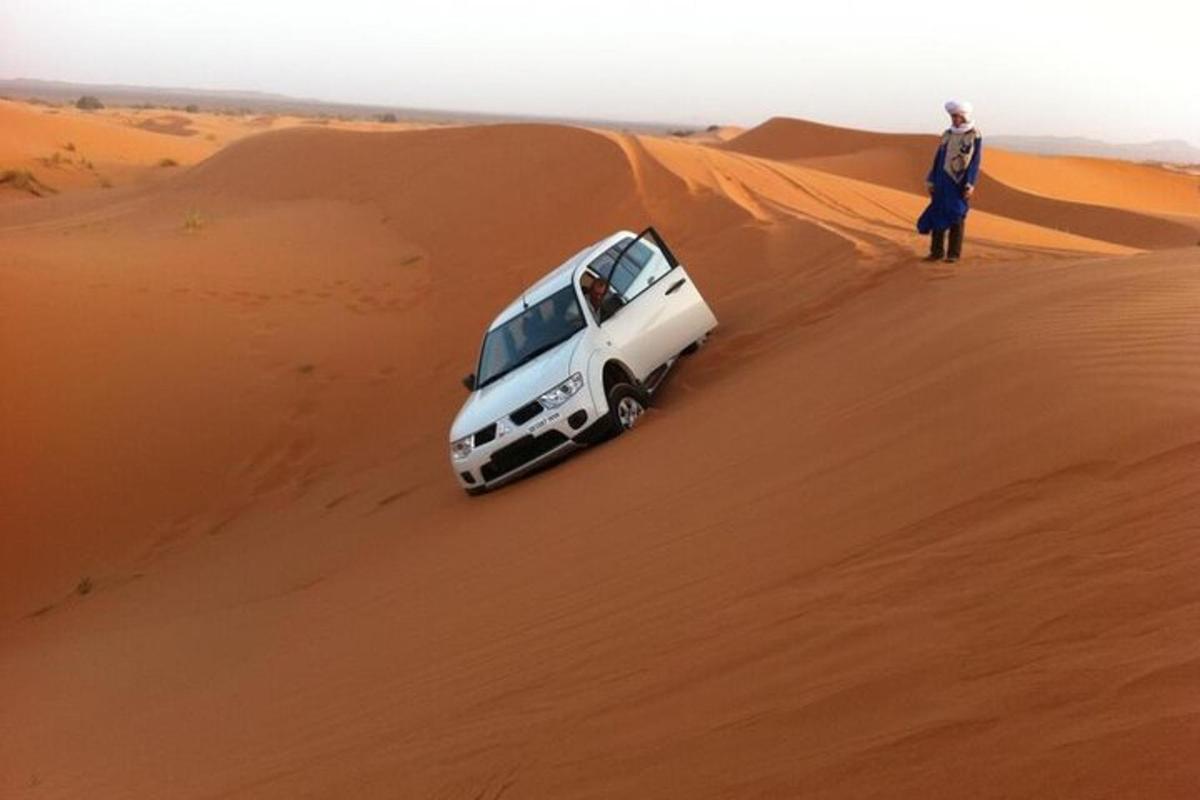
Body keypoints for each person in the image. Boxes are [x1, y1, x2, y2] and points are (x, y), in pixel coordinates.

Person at [918, 100, 983, 263]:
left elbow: (975, 161)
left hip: (959, 182)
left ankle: (954, 253)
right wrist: (931, 179)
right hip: (942, 180)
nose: (954, 119)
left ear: (964, 116)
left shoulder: (974, 135)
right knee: (938, 213)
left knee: (957, 215)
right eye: (952, 116)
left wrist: (970, 182)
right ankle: (936, 252)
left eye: (957, 116)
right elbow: (938, 158)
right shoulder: (947, 134)